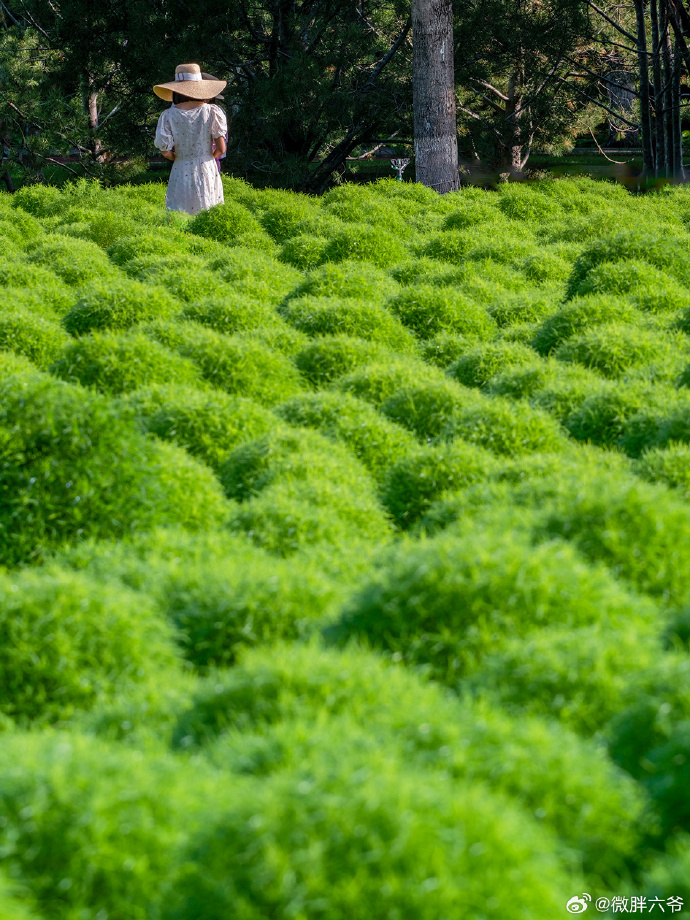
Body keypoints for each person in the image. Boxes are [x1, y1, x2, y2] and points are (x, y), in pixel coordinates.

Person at [153, 63, 227, 215]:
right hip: (206, 167)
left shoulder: (167, 115)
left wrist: (181, 158)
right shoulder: (212, 111)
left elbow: (165, 152)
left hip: (180, 168)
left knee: (180, 212)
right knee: (208, 211)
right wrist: (205, 157)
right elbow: (221, 149)